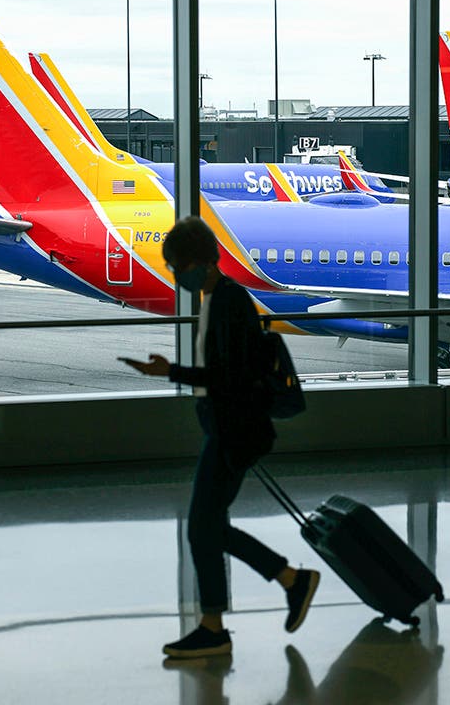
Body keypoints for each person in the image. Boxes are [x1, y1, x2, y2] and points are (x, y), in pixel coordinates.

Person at [122, 215, 320, 660]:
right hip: (228, 428)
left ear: (198, 262)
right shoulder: (217, 299)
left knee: (201, 527)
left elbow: (230, 376)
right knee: (208, 526)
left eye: (177, 267)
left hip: (235, 431)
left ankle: (218, 625)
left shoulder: (229, 301)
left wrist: (169, 371)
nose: (176, 276)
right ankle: (289, 581)